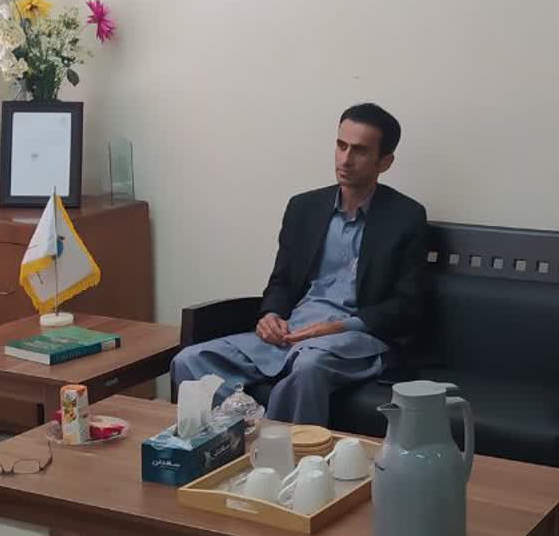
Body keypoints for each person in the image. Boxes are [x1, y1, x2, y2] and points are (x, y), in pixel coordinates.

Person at [170, 104, 427, 425]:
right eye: (341, 145)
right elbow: (282, 282)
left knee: (308, 366)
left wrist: (338, 326)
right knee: (190, 361)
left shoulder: (405, 217)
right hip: (293, 333)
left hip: (353, 340)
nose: (345, 159)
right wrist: (270, 315)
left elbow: (406, 305)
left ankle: (284, 451)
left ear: (384, 162)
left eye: (360, 151)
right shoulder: (304, 207)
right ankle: (242, 436)